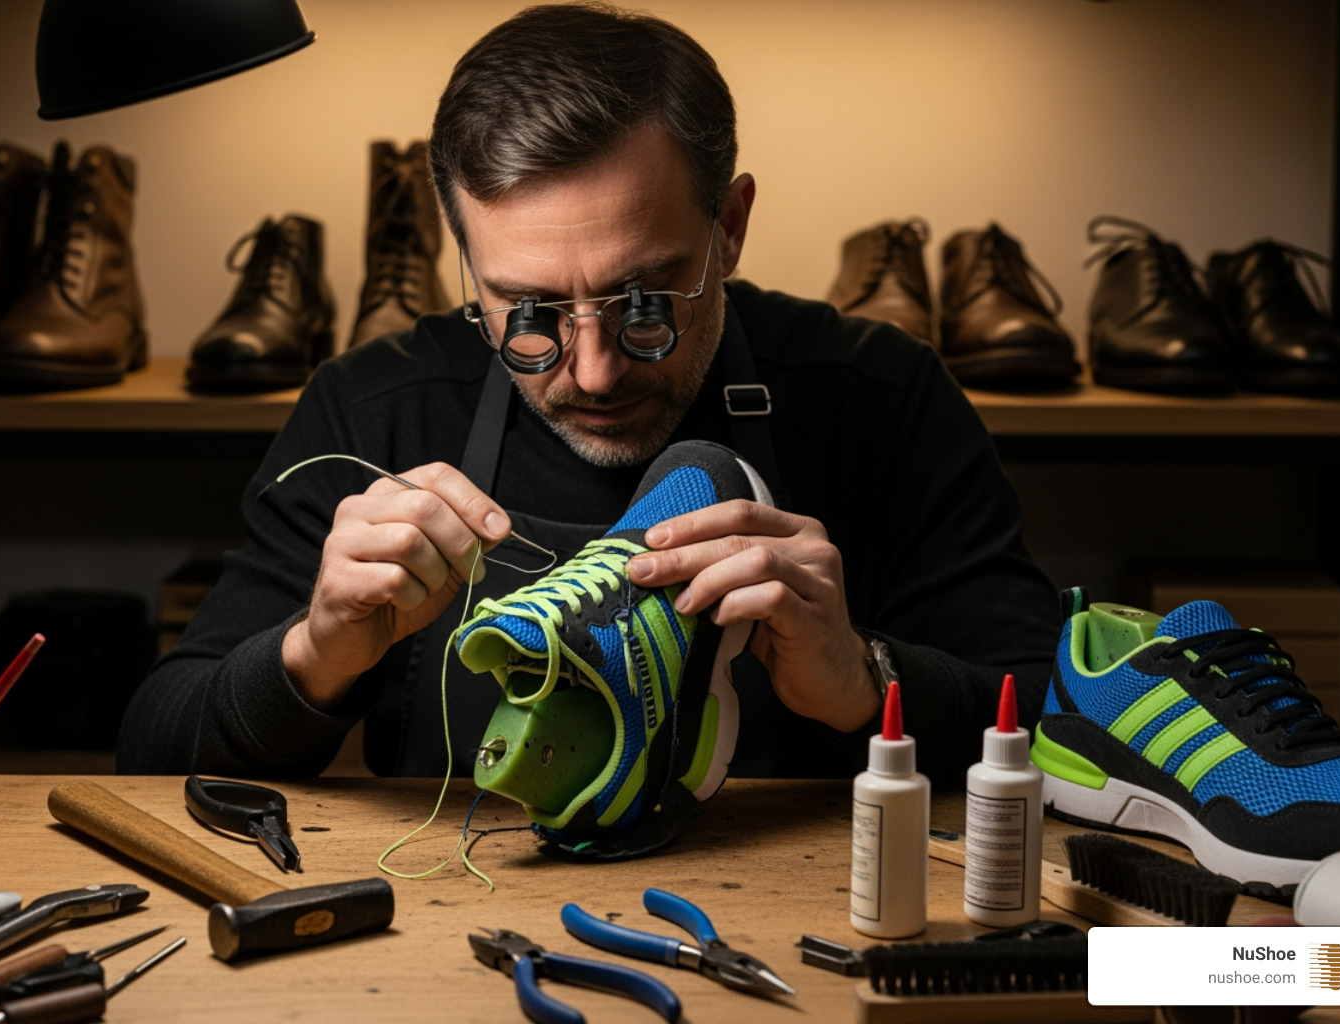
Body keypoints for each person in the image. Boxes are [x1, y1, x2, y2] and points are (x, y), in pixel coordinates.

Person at [117, 2, 1060, 785]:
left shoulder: (881, 396)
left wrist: (866, 680)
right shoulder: (374, 409)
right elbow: (151, 750)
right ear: (466, 262)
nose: (596, 369)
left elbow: (1068, 736)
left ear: (728, 228)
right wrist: (314, 653)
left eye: (645, 302)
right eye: (527, 311)